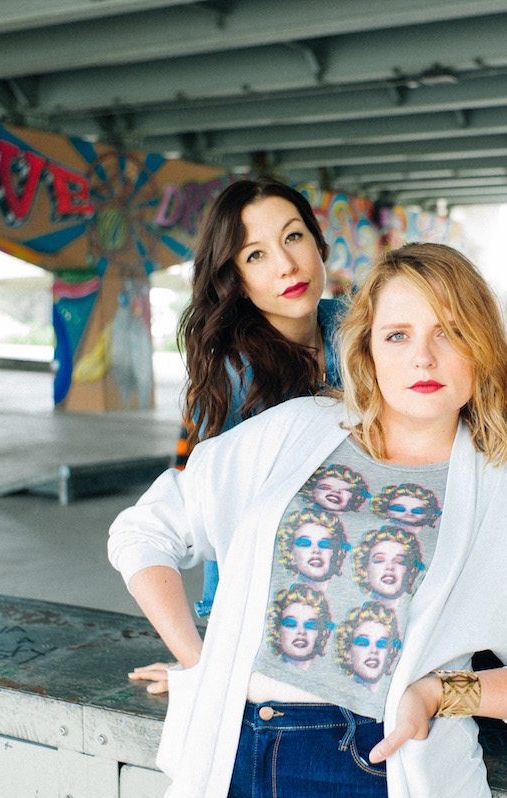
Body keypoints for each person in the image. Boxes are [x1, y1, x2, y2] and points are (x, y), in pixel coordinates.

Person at [108, 242, 507, 797]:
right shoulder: (294, 431)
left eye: (449, 330)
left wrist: (443, 693)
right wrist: (201, 660)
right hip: (227, 752)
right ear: (368, 350)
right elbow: (145, 530)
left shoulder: (505, 494)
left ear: (484, 348)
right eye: (397, 334)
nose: (423, 357)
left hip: (376, 764)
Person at [131, 176, 344, 694]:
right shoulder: (237, 375)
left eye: (293, 238)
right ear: (235, 279)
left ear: (319, 245)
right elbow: (203, 515)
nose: (286, 266)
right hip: (273, 611)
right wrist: (205, 664)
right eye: (255, 255)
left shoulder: (357, 328)